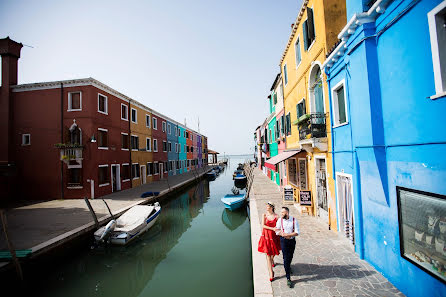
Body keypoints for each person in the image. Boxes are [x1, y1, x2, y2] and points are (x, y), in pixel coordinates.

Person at [275, 206, 299, 288]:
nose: (281, 214)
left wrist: (288, 235)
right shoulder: (280, 220)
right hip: (283, 241)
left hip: (292, 241)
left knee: (290, 256)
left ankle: (288, 267)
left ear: (287, 213)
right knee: (285, 257)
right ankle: (288, 278)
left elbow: (297, 232)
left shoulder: (294, 220)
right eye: (281, 212)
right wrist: (283, 234)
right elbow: (277, 230)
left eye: (283, 212)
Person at [257, 202, 281, 282]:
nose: (267, 207)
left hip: (274, 236)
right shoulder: (264, 215)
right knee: (268, 254)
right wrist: (272, 228)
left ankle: (272, 260)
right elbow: (263, 225)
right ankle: (271, 273)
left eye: (268, 206)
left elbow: (279, 226)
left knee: (273, 253)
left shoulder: (276, 216)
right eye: (266, 206)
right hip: (266, 236)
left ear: (272, 207)